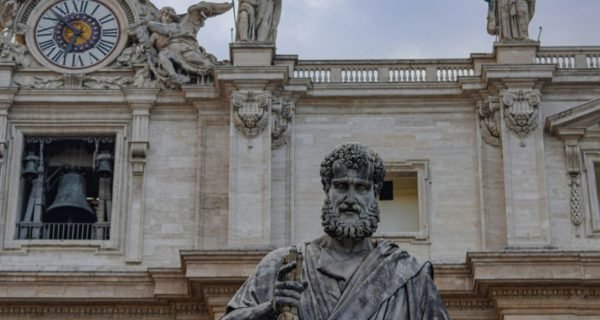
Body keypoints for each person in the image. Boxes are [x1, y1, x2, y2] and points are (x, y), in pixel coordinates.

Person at [222, 143, 450, 319]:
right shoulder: (282, 265)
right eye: (341, 186)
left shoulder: (409, 276)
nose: (350, 199)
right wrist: (269, 310)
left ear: (376, 194)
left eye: (361, 188)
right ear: (327, 190)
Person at [141, 2, 232, 83]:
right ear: (160, 16)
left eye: (170, 16)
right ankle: (174, 76)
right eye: (165, 15)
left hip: (183, 50)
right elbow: (149, 46)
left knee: (205, 64)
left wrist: (148, 23)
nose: (167, 18)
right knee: (162, 54)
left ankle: (221, 72)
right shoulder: (155, 34)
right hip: (170, 53)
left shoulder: (175, 26)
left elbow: (164, 29)